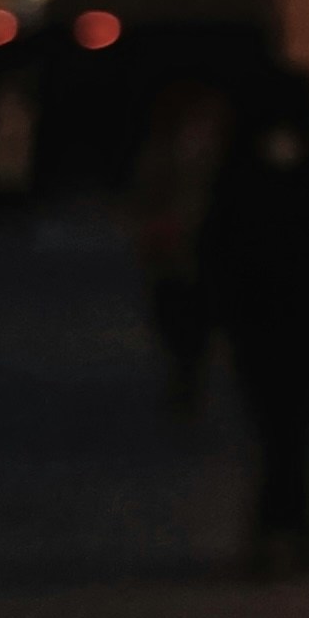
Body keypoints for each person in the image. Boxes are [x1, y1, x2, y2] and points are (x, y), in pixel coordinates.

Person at [198, 67, 309, 574]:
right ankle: (291, 533)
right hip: (288, 320)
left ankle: (279, 534)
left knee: (283, 433)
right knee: (286, 434)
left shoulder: (247, 173)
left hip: (282, 321)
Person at [128, 75, 229, 413]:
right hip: (173, 245)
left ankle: (188, 377)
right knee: (174, 314)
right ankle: (185, 375)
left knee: (191, 317)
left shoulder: (214, 148)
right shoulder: (165, 148)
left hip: (197, 245)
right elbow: (148, 192)